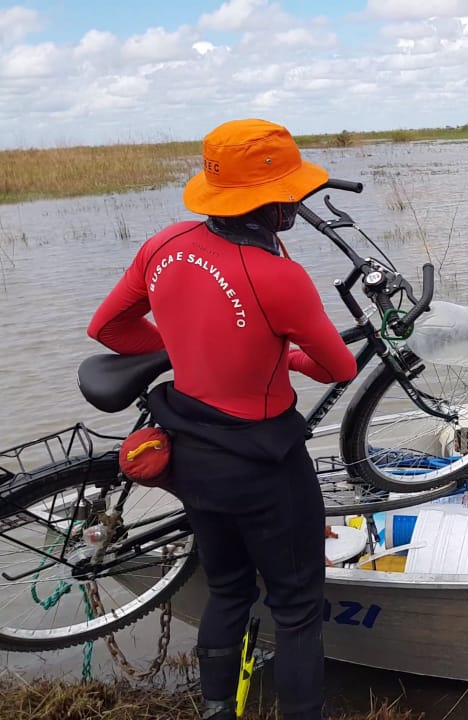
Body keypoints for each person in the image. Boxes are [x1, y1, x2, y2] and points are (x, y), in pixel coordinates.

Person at [88, 119, 356, 720]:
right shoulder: (279, 276)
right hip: (264, 466)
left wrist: (188, 348)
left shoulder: (163, 243)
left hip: (190, 456)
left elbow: (108, 329)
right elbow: (337, 366)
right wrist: (280, 352)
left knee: (230, 586)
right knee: (295, 608)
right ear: (275, 202)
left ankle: (215, 709)